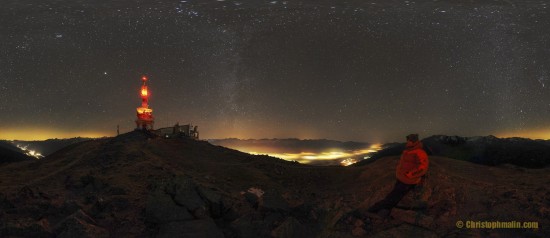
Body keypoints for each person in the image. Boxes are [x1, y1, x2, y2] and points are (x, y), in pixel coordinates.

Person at [367, 133, 429, 217]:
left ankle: (379, 209)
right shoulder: (409, 150)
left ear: (413, 141)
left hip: (408, 180)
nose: (407, 142)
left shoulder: (419, 152)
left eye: (408, 140)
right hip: (402, 178)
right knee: (394, 194)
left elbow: (422, 168)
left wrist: (410, 174)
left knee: (394, 196)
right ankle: (384, 208)